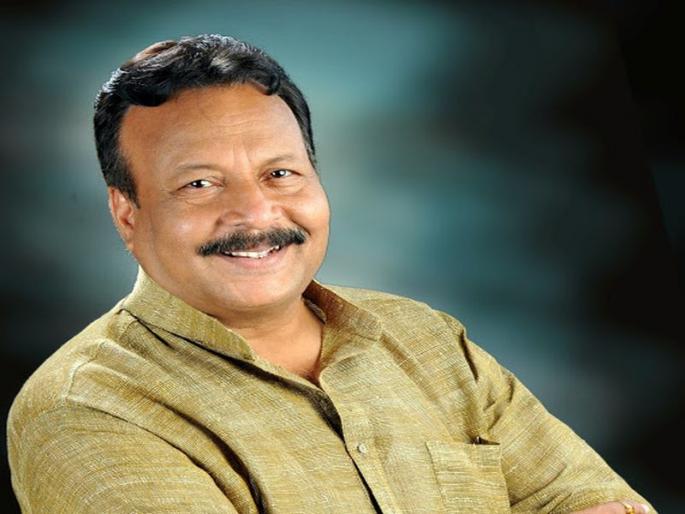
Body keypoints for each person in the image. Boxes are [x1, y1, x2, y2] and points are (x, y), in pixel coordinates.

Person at [7, 34, 655, 514]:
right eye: (199, 184)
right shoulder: (85, 411)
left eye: (280, 173)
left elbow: (604, 503)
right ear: (127, 213)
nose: (256, 213)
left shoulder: (427, 341)